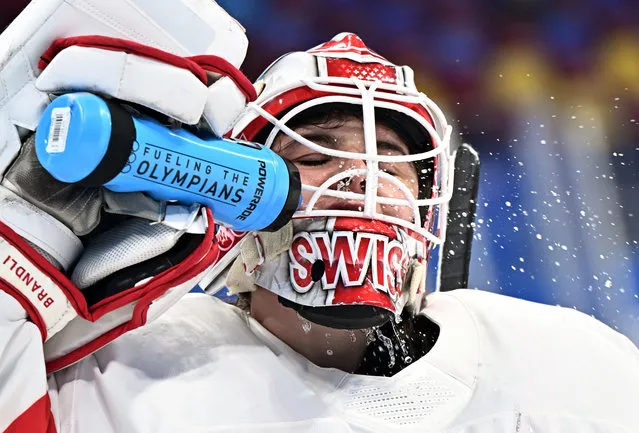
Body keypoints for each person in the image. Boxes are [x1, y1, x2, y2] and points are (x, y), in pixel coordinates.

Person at [0, 2, 638, 433]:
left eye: (391, 160)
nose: (361, 176)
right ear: (235, 199)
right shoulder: (123, 372)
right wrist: (18, 270)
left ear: (431, 206)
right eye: (317, 152)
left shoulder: (576, 364)